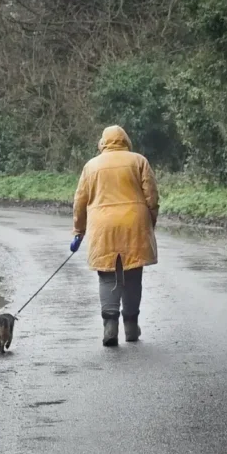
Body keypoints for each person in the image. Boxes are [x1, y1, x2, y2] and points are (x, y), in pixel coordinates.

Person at [71, 125, 159, 346]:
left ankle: (110, 327)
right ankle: (130, 327)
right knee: (132, 274)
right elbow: (152, 196)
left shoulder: (91, 166)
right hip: (134, 224)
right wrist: (150, 222)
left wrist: (79, 231)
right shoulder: (139, 161)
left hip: (104, 226)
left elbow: (80, 201)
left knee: (107, 275)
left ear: (103, 143)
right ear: (126, 141)